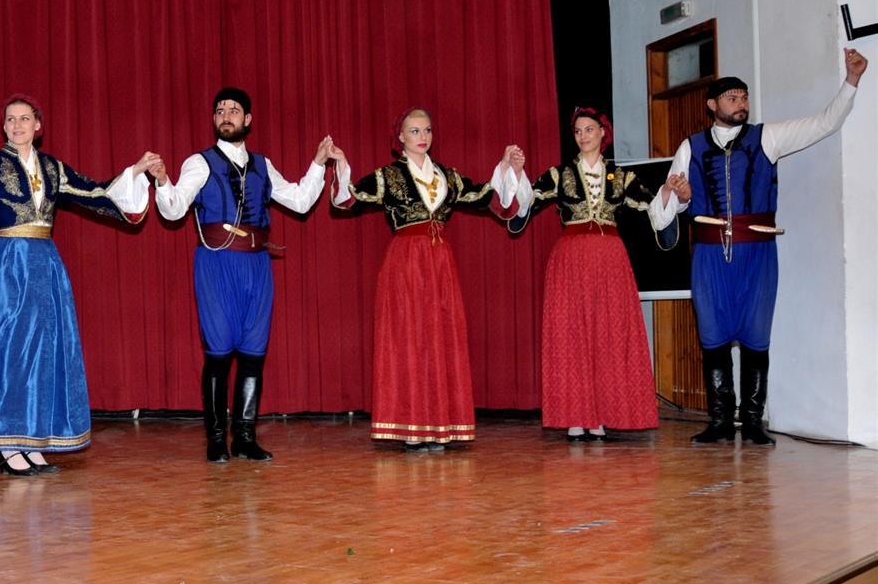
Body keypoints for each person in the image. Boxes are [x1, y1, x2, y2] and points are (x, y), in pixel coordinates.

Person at [647, 48, 865, 446]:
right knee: (712, 335)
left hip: (757, 253)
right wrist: (675, 195)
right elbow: (661, 216)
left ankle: (751, 422)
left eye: (744, 97)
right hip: (710, 256)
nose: (741, 103)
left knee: (756, 334)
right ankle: (719, 421)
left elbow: (825, 123)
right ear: (712, 105)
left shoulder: (768, 137)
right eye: (732, 98)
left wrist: (851, 82)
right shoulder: (689, 147)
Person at [0, 94, 156, 475]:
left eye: (24, 119)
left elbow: (95, 192)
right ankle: (8, 445)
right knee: (8, 353)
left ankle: (31, 442)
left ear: (38, 126)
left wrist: (135, 172)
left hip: (44, 266)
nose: (17, 125)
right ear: (3, 126)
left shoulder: (53, 168)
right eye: (10, 119)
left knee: (41, 354)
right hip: (7, 267)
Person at [150, 87, 335, 462]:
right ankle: (217, 438)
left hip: (257, 265)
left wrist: (318, 163)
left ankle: (245, 437)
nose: (226, 115)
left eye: (233, 110)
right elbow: (174, 209)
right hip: (217, 264)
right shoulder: (199, 163)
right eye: (220, 110)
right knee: (219, 352)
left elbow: (300, 201)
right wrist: (163, 180)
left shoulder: (263, 165)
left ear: (247, 119)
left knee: (253, 352)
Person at [330, 107, 524, 450]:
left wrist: (506, 166)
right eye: (415, 131)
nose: (422, 137)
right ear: (401, 137)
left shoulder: (447, 176)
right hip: (405, 264)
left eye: (427, 130)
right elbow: (349, 198)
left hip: (439, 264)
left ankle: (440, 426)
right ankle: (411, 426)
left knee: (440, 338)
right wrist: (341, 163)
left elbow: (485, 197)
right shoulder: (388, 176)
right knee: (409, 338)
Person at [509, 108, 667, 440]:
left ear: (603, 132)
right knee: (572, 334)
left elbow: (652, 205)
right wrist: (518, 173)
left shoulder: (621, 177)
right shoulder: (559, 174)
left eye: (589, 129)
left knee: (608, 332)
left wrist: (671, 194)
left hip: (610, 260)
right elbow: (528, 201)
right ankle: (575, 415)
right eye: (578, 131)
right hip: (571, 260)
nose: (583, 136)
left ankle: (603, 414)